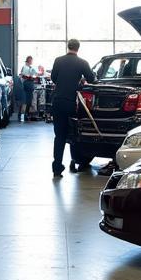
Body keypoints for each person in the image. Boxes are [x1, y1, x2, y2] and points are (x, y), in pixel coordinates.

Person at [49, 38, 95, 177]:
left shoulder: (58, 60)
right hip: (72, 104)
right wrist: (80, 79)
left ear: (68, 46)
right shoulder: (82, 62)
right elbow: (92, 79)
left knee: (59, 136)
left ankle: (57, 167)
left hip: (57, 102)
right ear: (78, 48)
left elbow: (53, 78)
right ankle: (74, 162)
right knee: (75, 134)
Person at [18, 55, 36, 121]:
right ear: (29, 60)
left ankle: (25, 114)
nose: (31, 61)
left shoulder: (30, 67)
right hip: (27, 84)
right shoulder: (25, 67)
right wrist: (30, 77)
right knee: (26, 101)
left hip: (29, 85)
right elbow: (24, 76)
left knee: (28, 100)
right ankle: (24, 114)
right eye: (31, 60)